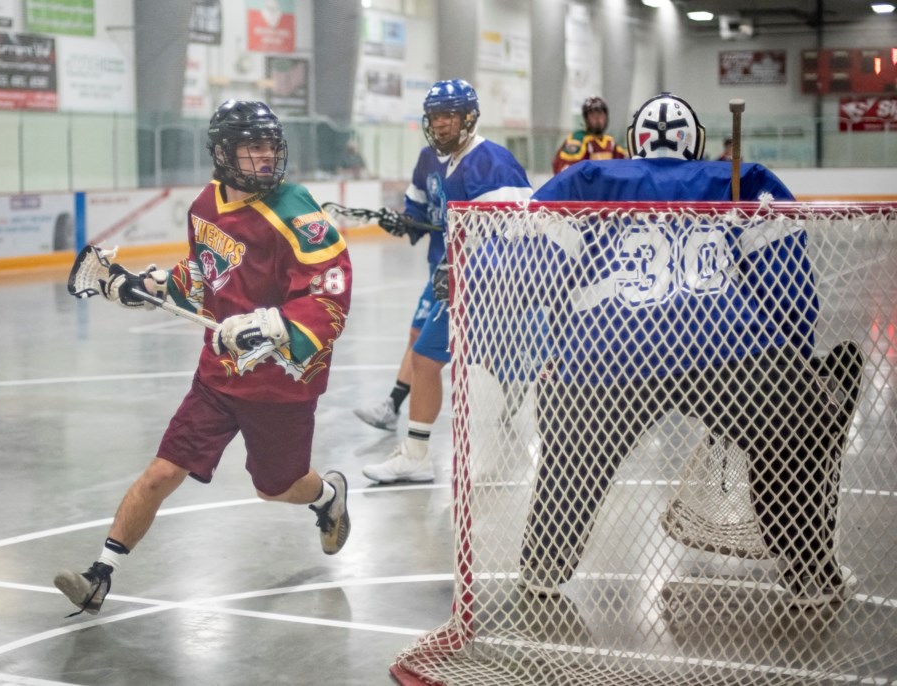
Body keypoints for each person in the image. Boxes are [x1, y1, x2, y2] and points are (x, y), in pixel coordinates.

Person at [514, 92, 861, 608]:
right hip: (726, 348)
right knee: (794, 438)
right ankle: (809, 570)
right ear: (694, 142)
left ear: (634, 139)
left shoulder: (585, 179)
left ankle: (544, 565)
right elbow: (789, 292)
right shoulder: (741, 181)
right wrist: (790, 367)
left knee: (572, 456)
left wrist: (561, 356)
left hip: (608, 353)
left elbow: (534, 280)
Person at [53, 100, 353, 616]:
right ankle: (99, 575)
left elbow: (330, 291)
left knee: (278, 488)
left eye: (270, 146)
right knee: (160, 473)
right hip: (217, 376)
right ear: (222, 152)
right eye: (252, 146)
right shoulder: (206, 205)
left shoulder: (296, 210)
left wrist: (268, 325)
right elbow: (203, 272)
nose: (265, 157)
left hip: (279, 383)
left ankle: (327, 496)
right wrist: (149, 285)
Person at [358, 78, 532, 483]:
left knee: (453, 361)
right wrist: (407, 226)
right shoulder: (451, 161)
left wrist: (468, 272)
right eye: (435, 117)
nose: (440, 125)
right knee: (425, 357)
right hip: (459, 281)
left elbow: (518, 235)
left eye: (448, 116)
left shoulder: (490, 162)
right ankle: (417, 454)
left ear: (469, 118)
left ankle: (524, 378)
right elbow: (441, 223)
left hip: (482, 288)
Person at [551, 96, 627, 175]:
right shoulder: (577, 139)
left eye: (601, 115)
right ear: (586, 119)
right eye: (593, 115)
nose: (598, 120)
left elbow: (625, 160)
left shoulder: (609, 141)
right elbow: (564, 168)